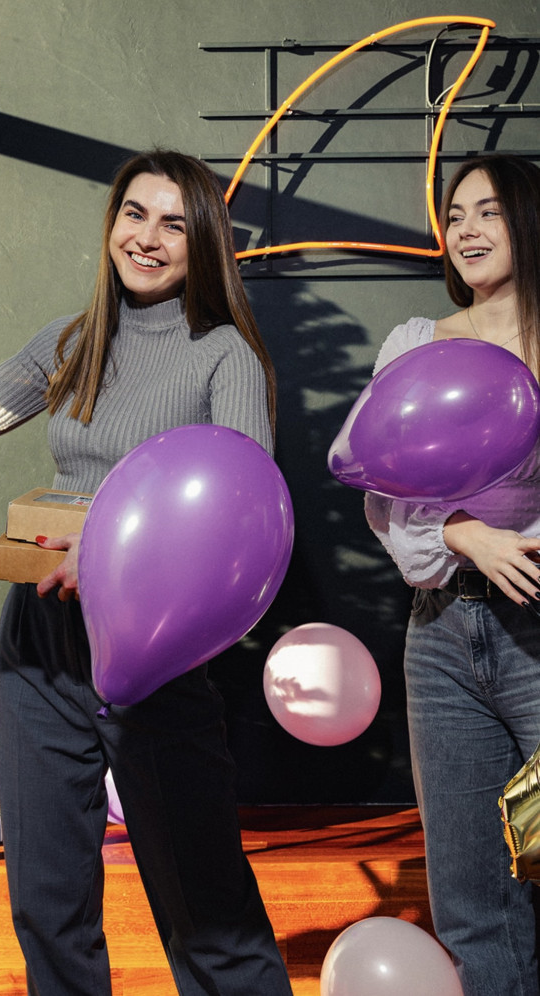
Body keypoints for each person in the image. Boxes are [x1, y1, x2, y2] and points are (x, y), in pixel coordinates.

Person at [0, 149, 294, 996]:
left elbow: (239, 517)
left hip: (156, 646)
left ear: (204, 242)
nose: (147, 238)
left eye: (172, 224)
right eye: (133, 214)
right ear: (112, 223)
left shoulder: (224, 355)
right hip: (40, 641)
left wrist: (112, 554)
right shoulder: (75, 339)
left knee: (207, 912)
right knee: (46, 901)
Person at [364, 153, 540, 996]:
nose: (465, 230)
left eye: (488, 211)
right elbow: (385, 500)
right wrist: (465, 532)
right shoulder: (413, 346)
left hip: (534, 625)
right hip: (438, 634)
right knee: (472, 899)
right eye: (455, 214)